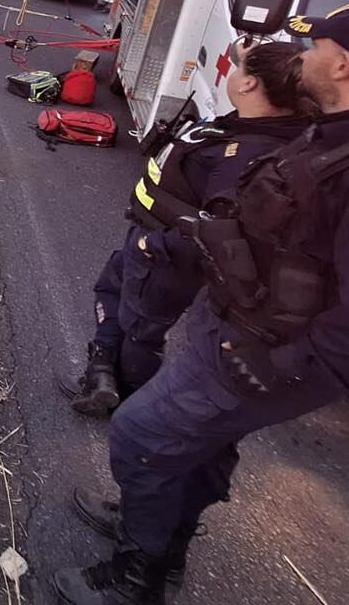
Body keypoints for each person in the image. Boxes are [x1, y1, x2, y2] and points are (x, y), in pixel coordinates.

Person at [56, 0, 349, 605]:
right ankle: (161, 532)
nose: (305, 59)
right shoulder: (347, 133)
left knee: (141, 436)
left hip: (260, 351)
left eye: (314, 48)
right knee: (197, 443)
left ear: (343, 63)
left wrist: (277, 366)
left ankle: (137, 580)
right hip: (240, 328)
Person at [59, 40, 313, 417]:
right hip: (152, 241)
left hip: (167, 254)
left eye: (240, 67)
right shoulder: (253, 130)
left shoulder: (248, 152)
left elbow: (226, 224)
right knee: (111, 291)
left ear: (249, 85)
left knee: (141, 329)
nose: (234, 71)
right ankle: (101, 373)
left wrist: (163, 246)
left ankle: (127, 403)